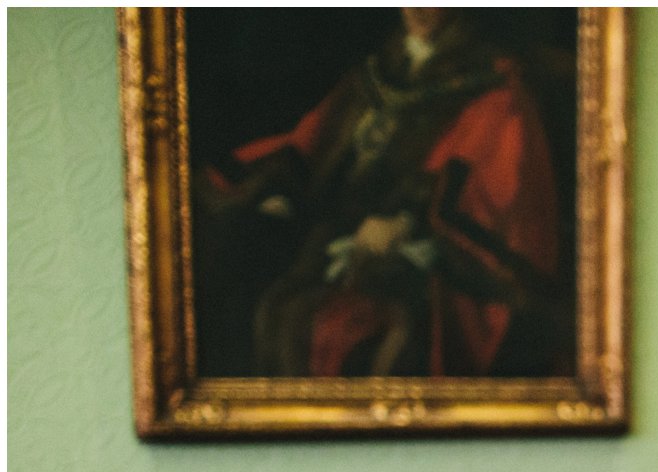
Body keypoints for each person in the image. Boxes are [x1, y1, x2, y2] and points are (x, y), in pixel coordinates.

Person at [196, 8, 561, 377]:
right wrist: (286, 189)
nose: (418, 8)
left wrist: (407, 223)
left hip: (429, 267)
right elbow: (314, 141)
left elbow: (496, 197)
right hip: (334, 240)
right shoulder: (378, 72)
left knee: (348, 332)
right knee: (233, 263)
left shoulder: (495, 89)